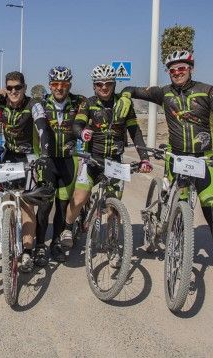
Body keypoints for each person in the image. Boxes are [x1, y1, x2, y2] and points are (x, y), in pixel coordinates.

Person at [122, 50, 213, 299]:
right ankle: (174, 249)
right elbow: (132, 90)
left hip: (203, 160)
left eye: (182, 68)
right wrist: (124, 96)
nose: (177, 73)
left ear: (191, 68)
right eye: (173, 70)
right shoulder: (163, 93)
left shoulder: (207, 90)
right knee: (178, 206)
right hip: (176, 160)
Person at [59, 64, 153, 249]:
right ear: (94, 86)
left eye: (108, 84)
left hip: (115, 161)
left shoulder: (124, 104)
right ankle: (68, 228)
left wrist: (144, 158)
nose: (104, 87)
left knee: (114, 209)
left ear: (114, 84)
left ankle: (113, 245)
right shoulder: (88, 103)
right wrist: (82, 132)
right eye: (99, 84)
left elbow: (135, 132)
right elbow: (77, 125)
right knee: (79, 198)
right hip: (92, 159)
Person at [0, 71, 47, 272]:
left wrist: (45, 153)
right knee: (6, 202)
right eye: (10, 88)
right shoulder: (2, 103)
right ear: (6, 88)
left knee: (26, 205)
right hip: (9, 157)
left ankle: (28, 251)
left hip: (29, 157)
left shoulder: (34, 105)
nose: (14, 91)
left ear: (24, 87)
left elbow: (42, 128)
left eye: (18, 87)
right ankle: (5, 242)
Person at [34, 66, 88, 263]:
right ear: (50, 85)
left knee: (62, 205)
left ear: (69, 85)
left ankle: (55, 243)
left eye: (64, 84)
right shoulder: (41, 103)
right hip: (47, 161)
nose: (59, 88)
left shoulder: (79, 102)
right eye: (55, 84)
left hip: (68, 160)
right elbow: (36, 126)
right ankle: (40, 245)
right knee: (45, 205)